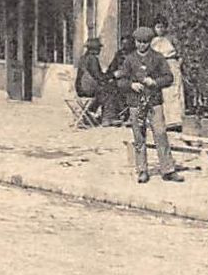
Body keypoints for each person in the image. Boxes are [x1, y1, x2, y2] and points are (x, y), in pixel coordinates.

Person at [115, 27, 184, 184]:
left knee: (160, 134)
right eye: (139, 42)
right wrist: (131, 85)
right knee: (139, 136)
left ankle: (168, 169)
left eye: (145, 42)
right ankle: (142, 170)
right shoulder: (129, 59)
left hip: (154, 102)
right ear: (135, 42)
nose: (142, 45)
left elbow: (169, 78)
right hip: (135, 102)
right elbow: (121, 81)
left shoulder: (158, 58)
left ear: (150, 42)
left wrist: (155, 82)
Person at [151, 16, 186, 132]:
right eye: (157, 27)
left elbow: (180, 55)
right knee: (162, 92)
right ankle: (164, 120)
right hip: (159, 67)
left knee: (173, 92)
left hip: (171, 64)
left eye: (162, 27)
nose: (160, 29)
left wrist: (177, 66)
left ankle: (176, 120)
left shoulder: (171, 39)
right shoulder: (153, 41)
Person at [73, 37, 116, 125]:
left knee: (102, 90)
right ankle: (107, 118)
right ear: (94, 49)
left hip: (80, 88)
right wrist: (113, 75)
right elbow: (99, 77)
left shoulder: (83, 58)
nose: (100, 50)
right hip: (87, 89)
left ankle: (89, 114)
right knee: (109, 91)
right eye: (99, 48)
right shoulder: (92, 59)